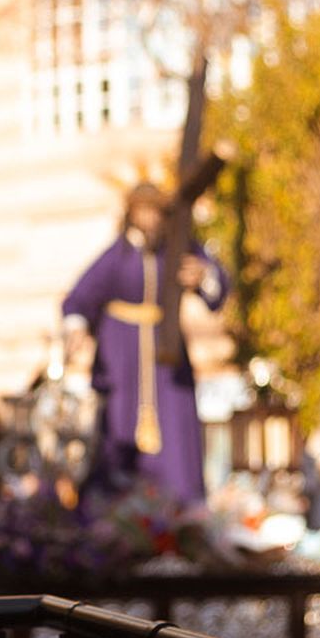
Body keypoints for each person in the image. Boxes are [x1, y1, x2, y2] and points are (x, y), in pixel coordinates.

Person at [61, 182, 227, 503]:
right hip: (122, 360)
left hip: (167, 361)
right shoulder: (116, 257)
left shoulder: (177, 249)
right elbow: (80, 298)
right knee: (117, 432)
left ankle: (182, 513)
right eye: (143, 210)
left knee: (176, 436)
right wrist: (77, 327)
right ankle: (116, 516)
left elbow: (217, 283)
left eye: (156, 211)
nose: (150, 219)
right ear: (132, 213)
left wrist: (205, 275)